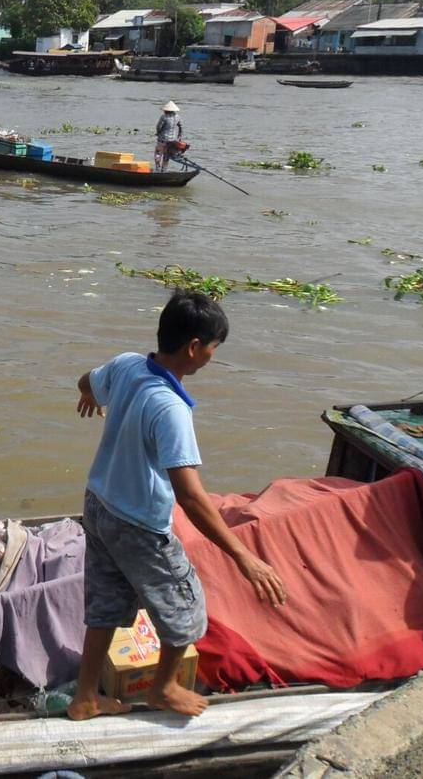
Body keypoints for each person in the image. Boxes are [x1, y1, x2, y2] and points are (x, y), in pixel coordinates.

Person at [67, 291, 287, 721]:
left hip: (98, 506)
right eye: (212, 348)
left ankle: (85, 696)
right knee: (187, 609)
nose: (211, 357)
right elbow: (189, 494)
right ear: (193, 347)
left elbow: (83, 382)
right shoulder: (170, 408)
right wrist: (244, 558)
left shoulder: (128, 364)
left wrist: (93, 396)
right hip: (137, 525)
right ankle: (164, 688)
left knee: (106, 606)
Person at [154, 101, 183, 172]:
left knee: (158, 153)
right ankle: (164, 170)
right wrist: (180, 134)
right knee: (166, 155)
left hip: (162, 139)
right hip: (172, 140)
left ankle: (158, 169)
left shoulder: (164, 117)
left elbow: (158, 127)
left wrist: (158, 133)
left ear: (166, 110)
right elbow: (181, 126)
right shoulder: (177, 117)